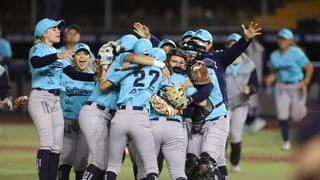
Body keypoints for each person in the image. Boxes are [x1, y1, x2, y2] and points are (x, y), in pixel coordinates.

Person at [183, 22, 261, 180]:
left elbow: (234, 51)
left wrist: (245, 40)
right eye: (196, 40)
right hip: (198, 119)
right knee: (192, 167)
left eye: (203, 41)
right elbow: (169, 54)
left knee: (207, 164)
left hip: (217, 115)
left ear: (209, 44)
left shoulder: (216, 58)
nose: (199, 44)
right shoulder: (186, 63)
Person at [27, 18, 93, 180]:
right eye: (54, 28)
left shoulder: (58, 54)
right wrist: (58, 55)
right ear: (44, 32)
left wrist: (98, 77)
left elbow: (74, 74)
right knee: (47, 143)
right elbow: (36, 63)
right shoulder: (38, 49)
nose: (58, 31)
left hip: (55, 100)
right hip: (41, 95)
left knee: (57, 147)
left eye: (58, 29)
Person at [105, 38, 161, 180]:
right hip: (140, 116)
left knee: (112, 167)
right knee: (151, 168)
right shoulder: (158, 71)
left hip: (120, 116)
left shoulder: (125, 67)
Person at [265, 28, 314, 151]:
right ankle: (286, 141)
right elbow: (276, 71)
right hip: (281, 86)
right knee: (282, 115)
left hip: (297, 86)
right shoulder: (274, 55)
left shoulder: (296, 52)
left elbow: (309, 68)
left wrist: (305, 83)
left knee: (296, 116)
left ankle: (302, 111)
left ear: (289, 41)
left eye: (285, 39)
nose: (282, 41)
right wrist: (272, 77)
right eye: (280, 38)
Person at [58, 43, 95, 180]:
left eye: (85, 54)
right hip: (67, 122)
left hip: (86, 125)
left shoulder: (96, 77)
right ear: (73, 58)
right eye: (78, 54)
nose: (82, 57)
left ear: (90, 57)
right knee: (65, 159)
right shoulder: (66, 74)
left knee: (81, 162)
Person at [224, 33, 259, 172]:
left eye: (235, 44)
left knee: (235, 134)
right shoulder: (222, 61)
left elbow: (255, 84)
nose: (233, 47)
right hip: (224, 103)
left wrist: (250, 89)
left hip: (241, 104)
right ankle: (219, 162)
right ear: (227, 47)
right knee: (222, 133)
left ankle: (234, 163)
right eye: (230, 45)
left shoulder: (249, 64)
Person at [244, 38, 267, 133]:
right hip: (251, 77)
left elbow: (264, 64)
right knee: (250, 100)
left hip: (253, 77)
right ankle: (250, 122)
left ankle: (253, 122)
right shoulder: (249, 46)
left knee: (252, 100)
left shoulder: (258, 47)